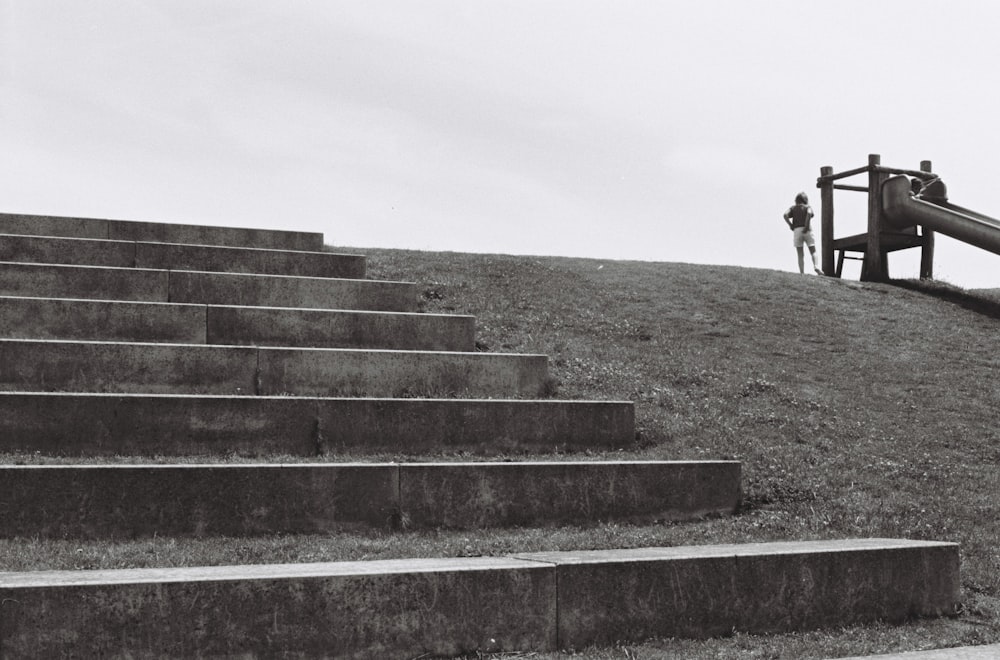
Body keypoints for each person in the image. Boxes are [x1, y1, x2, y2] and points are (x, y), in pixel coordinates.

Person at [783, 192, 823, 275]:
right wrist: (806, 225)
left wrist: (790, 225)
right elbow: (809, 213)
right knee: (813, 250)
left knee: (800, 254)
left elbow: (785, 215)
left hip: (797, 230)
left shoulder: (793, 208)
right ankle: (816, 266)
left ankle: (802, 272)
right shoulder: (808, 207)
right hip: (808, 230)